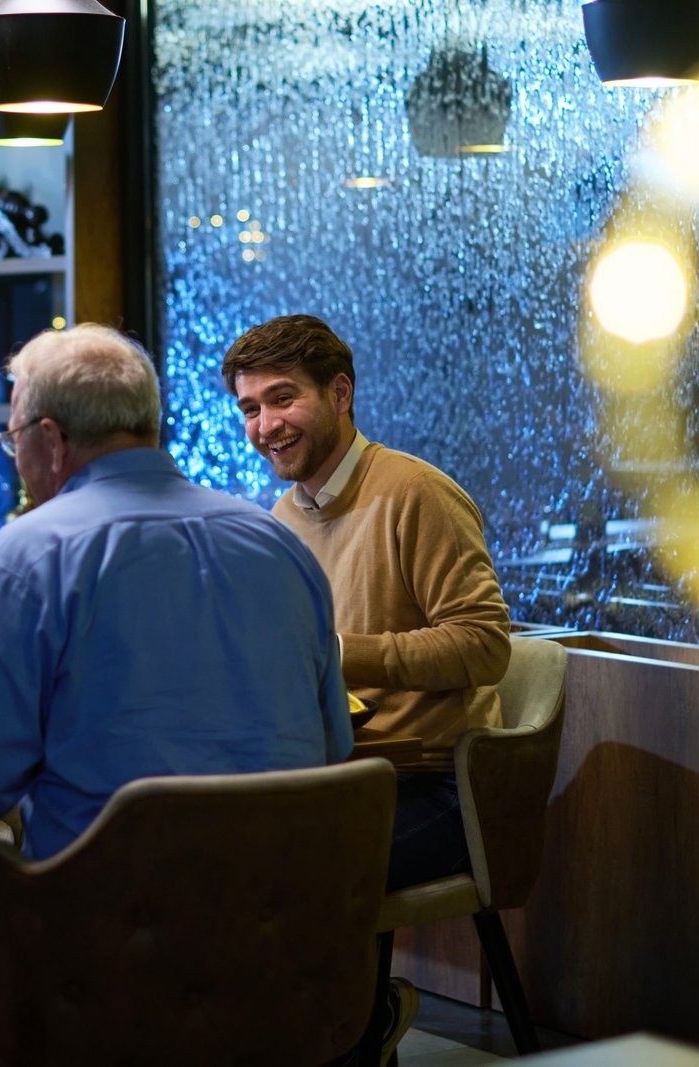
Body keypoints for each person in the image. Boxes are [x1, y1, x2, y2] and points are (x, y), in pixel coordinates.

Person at [0, 323, 351, 863]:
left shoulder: (30, 554)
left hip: (107, 921)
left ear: (52, 441)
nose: (17, 456)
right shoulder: (278, 544)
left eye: (14, 440)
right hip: (286, 914)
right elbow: (335, 747)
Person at [222, 313, 512, 1062]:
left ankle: (349, 1028)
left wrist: (345, 653)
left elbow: (485, 645)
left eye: (282, 399)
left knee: (282, 876)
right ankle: (342, 1020)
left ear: (340, 392)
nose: (265, 424)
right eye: (250, 408)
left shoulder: (416, 493)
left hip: (438, 783)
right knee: (199, 850)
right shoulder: (283, 515)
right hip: (336, 771)